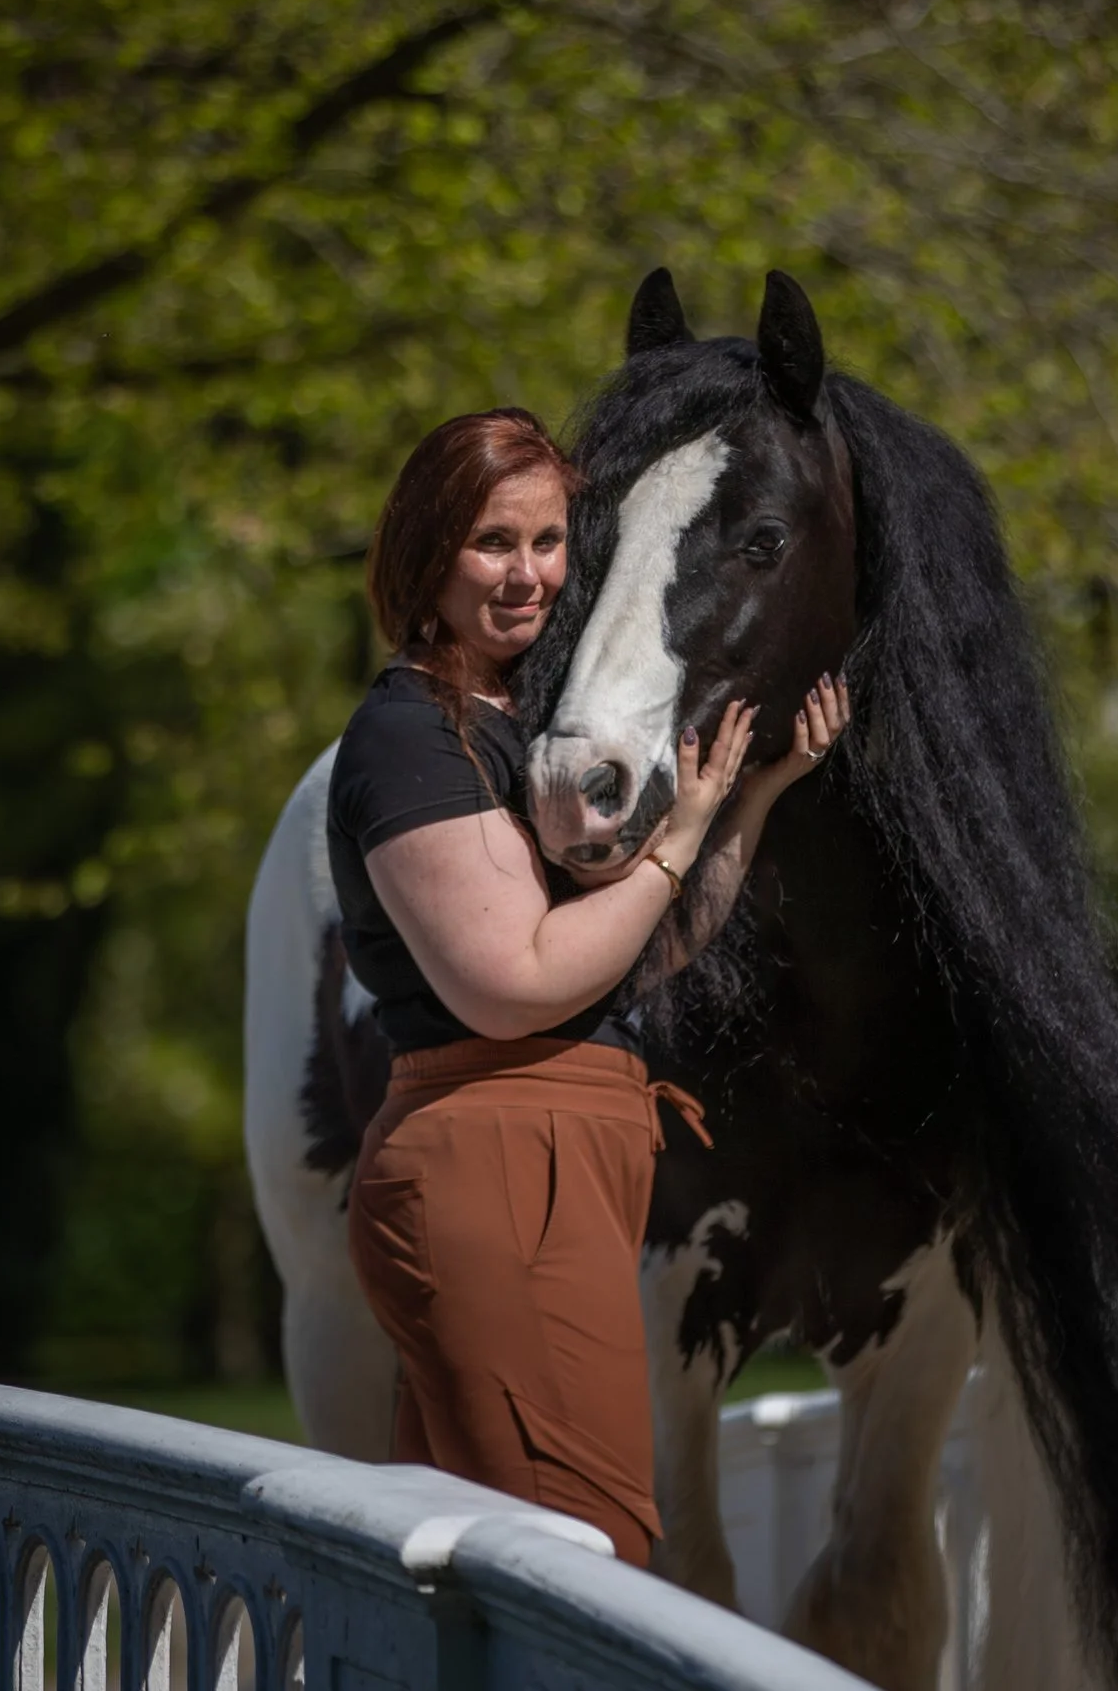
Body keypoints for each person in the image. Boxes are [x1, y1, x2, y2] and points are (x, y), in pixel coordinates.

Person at [328, 408, 847, 1566]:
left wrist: (753, 796)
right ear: (425, 555)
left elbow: (644, 953)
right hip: (495, 1163)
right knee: (582, 1550)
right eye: (491, 543)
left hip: (558, 1168)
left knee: (484, 1567)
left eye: (551, 542)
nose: (528, 577)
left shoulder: (514, 727)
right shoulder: (409, 737)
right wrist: (681, 836)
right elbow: (516, 983)